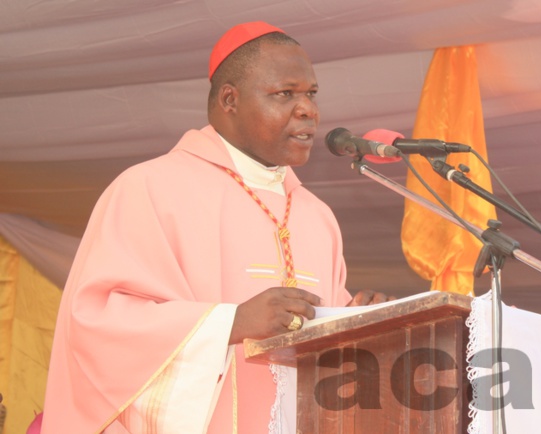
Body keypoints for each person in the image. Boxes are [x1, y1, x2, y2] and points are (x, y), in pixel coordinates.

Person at [41, 21, 392, 434]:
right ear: (229, 99)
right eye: (285, 94)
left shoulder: (317, 216)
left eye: (311, 94)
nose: (308, 109)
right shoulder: (149, 188)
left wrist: (354, 324)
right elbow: (97, 325)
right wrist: (232, 323)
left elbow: (321, 347)